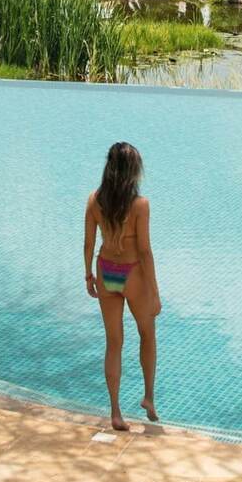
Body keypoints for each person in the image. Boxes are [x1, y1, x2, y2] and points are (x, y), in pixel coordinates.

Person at [83, 142, 161, 430]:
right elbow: (144, 251)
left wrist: (88, 274)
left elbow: (89, 242)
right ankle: (149, 398)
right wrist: (154, 291)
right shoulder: (140, 205)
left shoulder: (94, 200)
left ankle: (115, 412)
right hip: (131, 273)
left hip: (106, 271)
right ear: (133, 171)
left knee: (114, 342)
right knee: (147, 334)